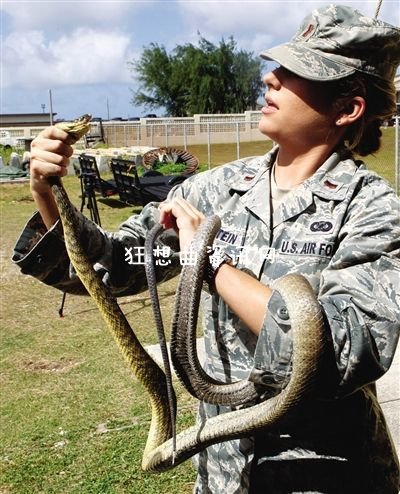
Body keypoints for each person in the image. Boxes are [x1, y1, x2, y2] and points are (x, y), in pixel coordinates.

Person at [12, 4, 400, 493]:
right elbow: (116, 264)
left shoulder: (373, 211)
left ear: (348, 109)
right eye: (276, 66)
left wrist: (209, 261)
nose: (270, 79)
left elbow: (342, 351)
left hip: (323, 474)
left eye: (296, 72)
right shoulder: (214, 189)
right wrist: (48, 194)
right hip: (222, 474)